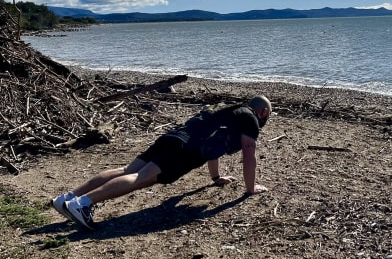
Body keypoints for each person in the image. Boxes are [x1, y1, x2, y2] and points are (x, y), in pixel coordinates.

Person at [51, 95, 272, 230]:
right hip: (184, 149)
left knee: (128, 170)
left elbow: (213, 147)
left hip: (173, 137)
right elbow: (249, 153)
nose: (265, 119)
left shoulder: (230, 110)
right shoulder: (250, 119)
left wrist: (215, 178)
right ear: (263, 112)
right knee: (141, 178)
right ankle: (83, 204)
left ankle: (68, 199)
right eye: (267, 115)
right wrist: (251, 188)